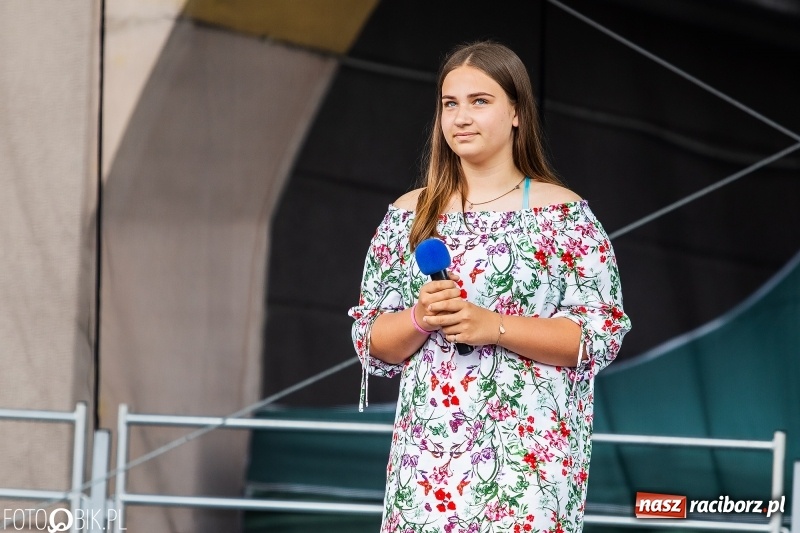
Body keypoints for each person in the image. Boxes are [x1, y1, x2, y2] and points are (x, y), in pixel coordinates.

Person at [348, 40, 630, 533]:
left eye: (480, 101)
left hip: (529, 463)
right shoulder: (408, 216)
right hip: (428, 463)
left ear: (517, 111)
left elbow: (600, 336)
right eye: (449, 104)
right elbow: (371, 342)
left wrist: (494, 326)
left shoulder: (563, 215)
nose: (461, 117)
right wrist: (420, 318)